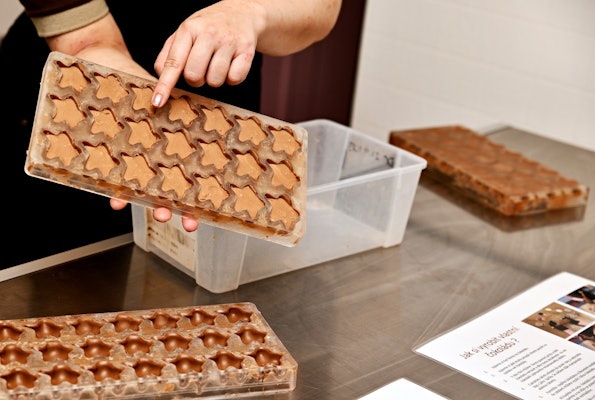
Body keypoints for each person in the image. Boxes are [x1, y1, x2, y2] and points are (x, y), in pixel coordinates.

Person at [0, 0, 341, 267]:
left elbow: (322, 9)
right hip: (77, 92)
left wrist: (252, 12)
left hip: (220, 115)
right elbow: (86, 36)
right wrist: (89, 44)